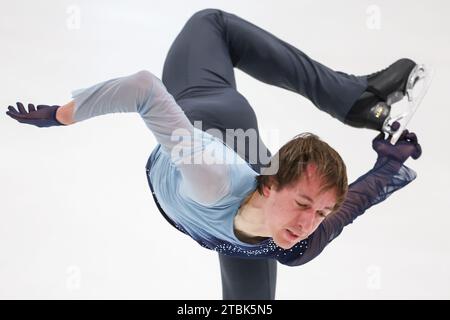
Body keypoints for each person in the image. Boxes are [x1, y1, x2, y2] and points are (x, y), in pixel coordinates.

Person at [5, 9, 422, 300]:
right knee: (212, 25)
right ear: (270, 182)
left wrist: (389, 165)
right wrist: (61, 115)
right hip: (209, 110)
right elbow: (143, 89)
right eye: (302, 205)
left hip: (247, 172)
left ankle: (357, 101)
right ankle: (356, 99)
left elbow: (350, 202)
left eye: (318, 214)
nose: (307, 224)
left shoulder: (297, 241)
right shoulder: (210, 176)